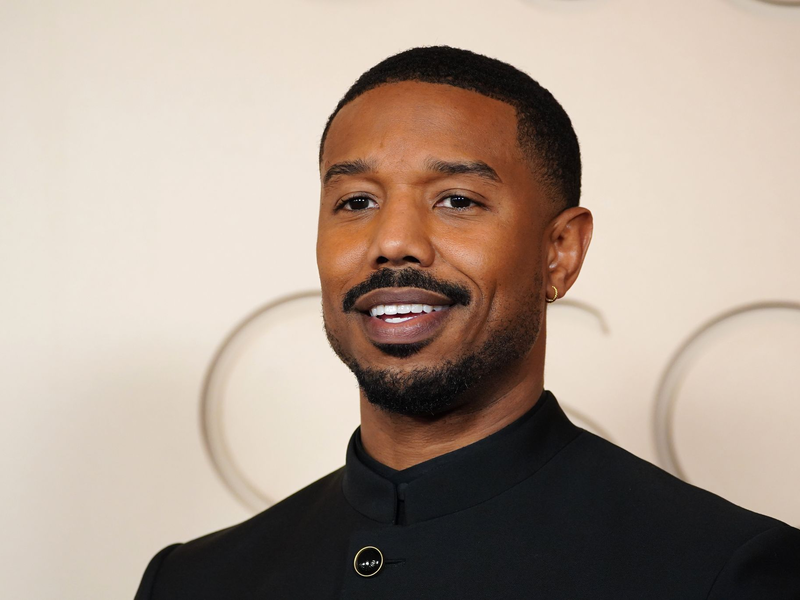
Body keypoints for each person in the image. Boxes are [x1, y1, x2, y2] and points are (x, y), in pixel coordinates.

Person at [135, 46, 800, 599]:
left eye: (457, 200)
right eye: (356, 201)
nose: (393, 242)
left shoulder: (724, 572)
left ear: (559, 252)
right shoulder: (192, 582)